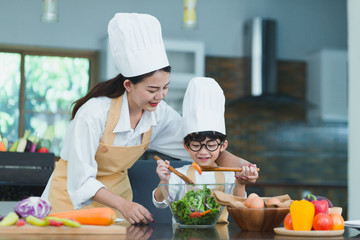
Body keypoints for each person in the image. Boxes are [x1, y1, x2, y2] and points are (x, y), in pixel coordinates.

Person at [42, 13, 258, 225]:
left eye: (165, 87)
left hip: (117, 211)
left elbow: (199, 146)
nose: (161, 96)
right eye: (152, 89)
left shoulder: (159, 114)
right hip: (70, 206)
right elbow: (81, 180)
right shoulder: (93, 114)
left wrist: (243, 167)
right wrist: (125, 206)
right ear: (129, 85)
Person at [152, 77, 257, 224]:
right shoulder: (180, 175)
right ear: (186, 146)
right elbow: (160, 202)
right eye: (196, 145)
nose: (203, 152)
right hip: (183, 234)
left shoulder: (228, 176)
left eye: (211, 145)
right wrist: (164, 181)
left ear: (223, 146)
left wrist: (240, 183)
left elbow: (238, 205)